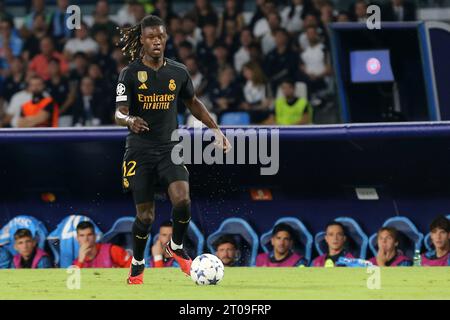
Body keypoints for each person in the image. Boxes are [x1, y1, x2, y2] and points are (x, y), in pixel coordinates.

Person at [115, 15, 231, 284]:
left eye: (161, 37)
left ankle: (176, 246)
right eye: (151, 37)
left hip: (170, 147)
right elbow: (119, 113)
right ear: (142, 41)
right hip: (139, 151)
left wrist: (215, 129)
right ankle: (138, 262)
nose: (157, 41)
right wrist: (130, 119)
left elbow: (193, 102)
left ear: (165, 38)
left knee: (183, 200)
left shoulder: (178, 72)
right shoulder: (129, 74)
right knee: (145, 216)